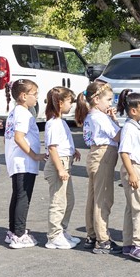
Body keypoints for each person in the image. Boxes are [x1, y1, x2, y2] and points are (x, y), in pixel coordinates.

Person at [75, 80, 122, 254]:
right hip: (104, 155)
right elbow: (118, 136)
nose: (111, 104)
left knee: (94, 197)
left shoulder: (92, 116)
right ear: (96, 100)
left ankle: (92, 235)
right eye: (109, 100)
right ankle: (103, 239)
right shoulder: (99, 117)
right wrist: (116, 120)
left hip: (96, 155)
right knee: (103, 198)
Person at [4, 79, 45, 249]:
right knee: (23, 197)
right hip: (23, 162)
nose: (37, 98)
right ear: (23, 96)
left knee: (18, 195)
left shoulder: (16, 112)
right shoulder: (22, 113)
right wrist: (34, 155)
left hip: (18, 161)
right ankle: (19, 234)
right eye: (34, 94)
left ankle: (14, 230)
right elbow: (19, 137)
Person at [117, 90, 140, 262]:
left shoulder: (134, 126)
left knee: (132, 207)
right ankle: (139, 245)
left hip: (139, 169)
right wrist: (132, 173)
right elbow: (124, 152)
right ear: (133, 111)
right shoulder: (130, 128)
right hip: (136, 169)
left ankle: (128, 243)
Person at [43, 87, 81, 250]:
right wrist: (60, 169)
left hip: (66, 163)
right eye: (69, 101)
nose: (71, 105)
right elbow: (52, 148)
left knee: (69, 201)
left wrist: (74, 150)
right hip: (59, 164)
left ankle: (62, 230)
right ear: (59, 102)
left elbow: (64, 143)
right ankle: (53, 236)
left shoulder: (61, 122)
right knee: (58, 201)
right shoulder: (52, 123)